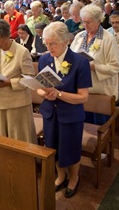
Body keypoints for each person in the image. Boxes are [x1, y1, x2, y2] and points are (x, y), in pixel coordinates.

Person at [38, 21, 92, 198]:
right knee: (52, 147)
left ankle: (74, 178)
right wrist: (44, 93)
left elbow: (83, 97)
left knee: (70, 148)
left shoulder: (80, 62)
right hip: (50, 113)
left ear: (65, 42)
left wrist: (59, 94)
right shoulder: (45, 59)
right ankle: (60, 176)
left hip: (71, 115)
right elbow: (40, 87)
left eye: (52, 43)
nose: (48, 47)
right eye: (46, 43)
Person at [0, 19, 37, 143]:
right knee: (2, 139)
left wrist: (10, 82)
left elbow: (29, 78)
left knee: (18, 139)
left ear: (7, 35)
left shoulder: (22, 52)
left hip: (16, 104)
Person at [70, 4, 119, 123]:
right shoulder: (79, 36)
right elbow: (70, 57)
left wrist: (94, 66)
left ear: (99, 21)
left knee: (99, 127)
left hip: (100, 91)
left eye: (89, 22)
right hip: (81, 90)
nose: (85, 26)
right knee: (83, 125)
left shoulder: (108, 39)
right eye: (83, 22)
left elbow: (114, 67)